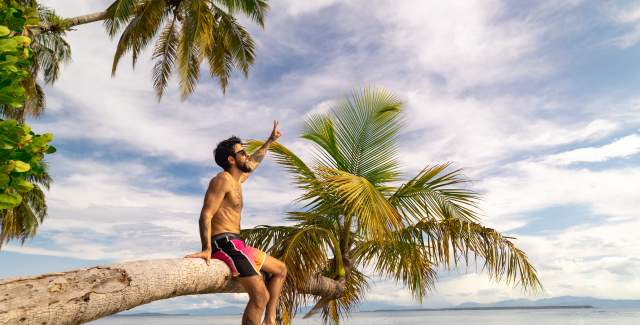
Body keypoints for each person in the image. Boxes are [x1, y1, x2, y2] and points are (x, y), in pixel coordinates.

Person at [185, 121, 287, 325]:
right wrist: (206, 249)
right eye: (242, 153)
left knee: (280, 269)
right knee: (260, 296)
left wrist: (270, 141)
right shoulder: (222, 179)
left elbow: (254, 162)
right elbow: (206, 215)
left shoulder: (237, 181)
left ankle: (270, 319)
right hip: (224, 244)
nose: (246, 155)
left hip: (237, 244)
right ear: (231, 159)